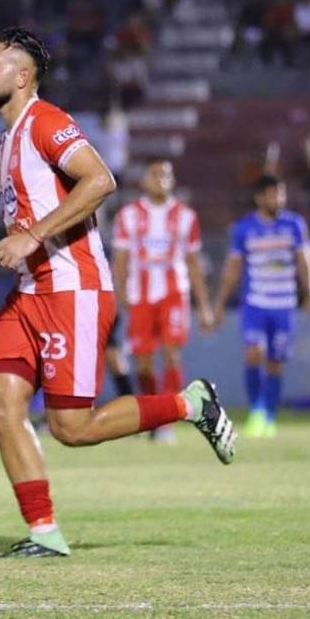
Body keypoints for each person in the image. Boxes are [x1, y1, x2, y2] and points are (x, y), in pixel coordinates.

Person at [0, 26, 235, 558]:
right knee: (1, 405)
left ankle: (189, 403)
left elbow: (100, 180)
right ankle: (44, 532)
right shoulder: (8, 136)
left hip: (73, 290)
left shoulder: (46, 122)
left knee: (72, 428)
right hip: (30, 292)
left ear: (22, 75)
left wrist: (31, 234)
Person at [111, 158, 214, 444]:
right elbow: (120, 258)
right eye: (154, 174)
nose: (160, 180)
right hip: (140, 294)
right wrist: (118, 293)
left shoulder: (185, 216)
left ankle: (166, 420)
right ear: (144, 181)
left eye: (166, 175)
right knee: (144, 362)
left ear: (173, 180)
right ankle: (150, 416)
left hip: (173, 293)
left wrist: (203, 306)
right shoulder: (128, 215)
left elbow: (193, 263)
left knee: (171, 353)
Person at [212, 175, 310, 438]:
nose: (278, 200)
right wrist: (220, 304)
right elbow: (233, 268)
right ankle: (257, 410)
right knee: (253, 354)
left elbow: (304, 261)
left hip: (284, 304)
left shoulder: (294, 225)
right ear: (259, 198)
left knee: (275, 363)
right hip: (255, 303)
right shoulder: (244, 228)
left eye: (280, 194)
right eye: (272, 194)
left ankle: (269, 416)